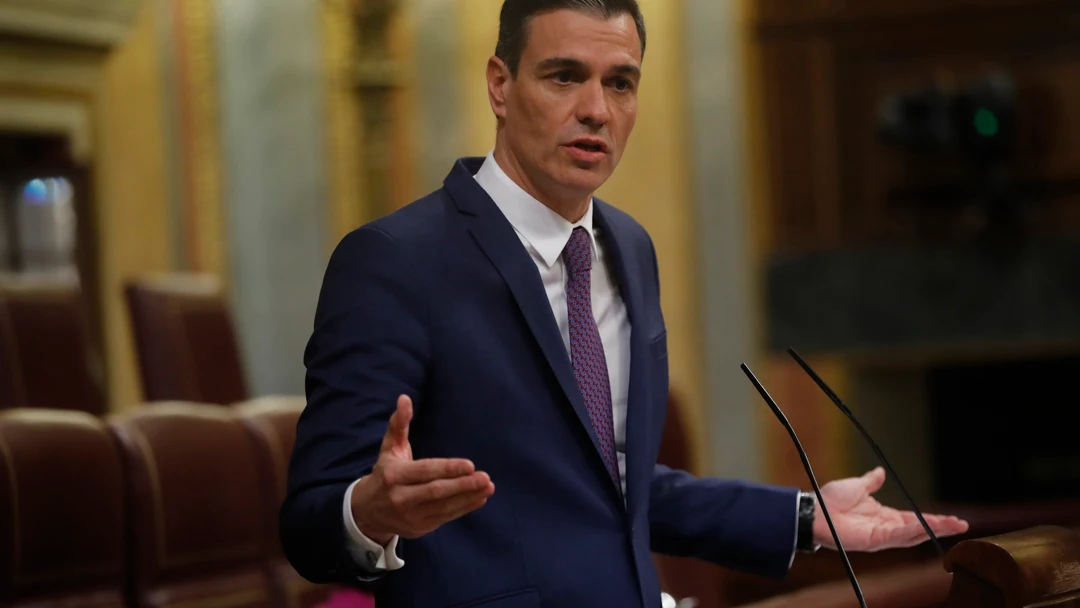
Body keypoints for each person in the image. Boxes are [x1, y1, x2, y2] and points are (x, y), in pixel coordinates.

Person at [280, 1, 969, 606]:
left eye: (620, 83)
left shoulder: (628, 248)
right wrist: (367, 513)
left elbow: (613, 487)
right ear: (500, 84)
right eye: (563, 76)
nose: (596, 110)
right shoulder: (395, 261)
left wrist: (801, 518)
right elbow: (310, 527)